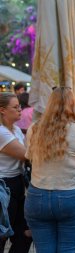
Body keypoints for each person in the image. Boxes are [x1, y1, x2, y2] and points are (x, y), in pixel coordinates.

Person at [24, 87, 75, 252]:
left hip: (37, 196)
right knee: (69, 249)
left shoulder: (35, 128)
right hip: (72, 196)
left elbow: (28, 155)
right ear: (74, 105)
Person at [0, 92, 32, 253]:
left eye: (20, 106)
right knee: (3, 234)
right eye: (15, 107)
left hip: (18, 183)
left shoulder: (16, 129)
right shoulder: (1, 132)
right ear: (2, 110)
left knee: (26, 233)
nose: (20, 110)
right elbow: (27, 154)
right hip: (5, 186)